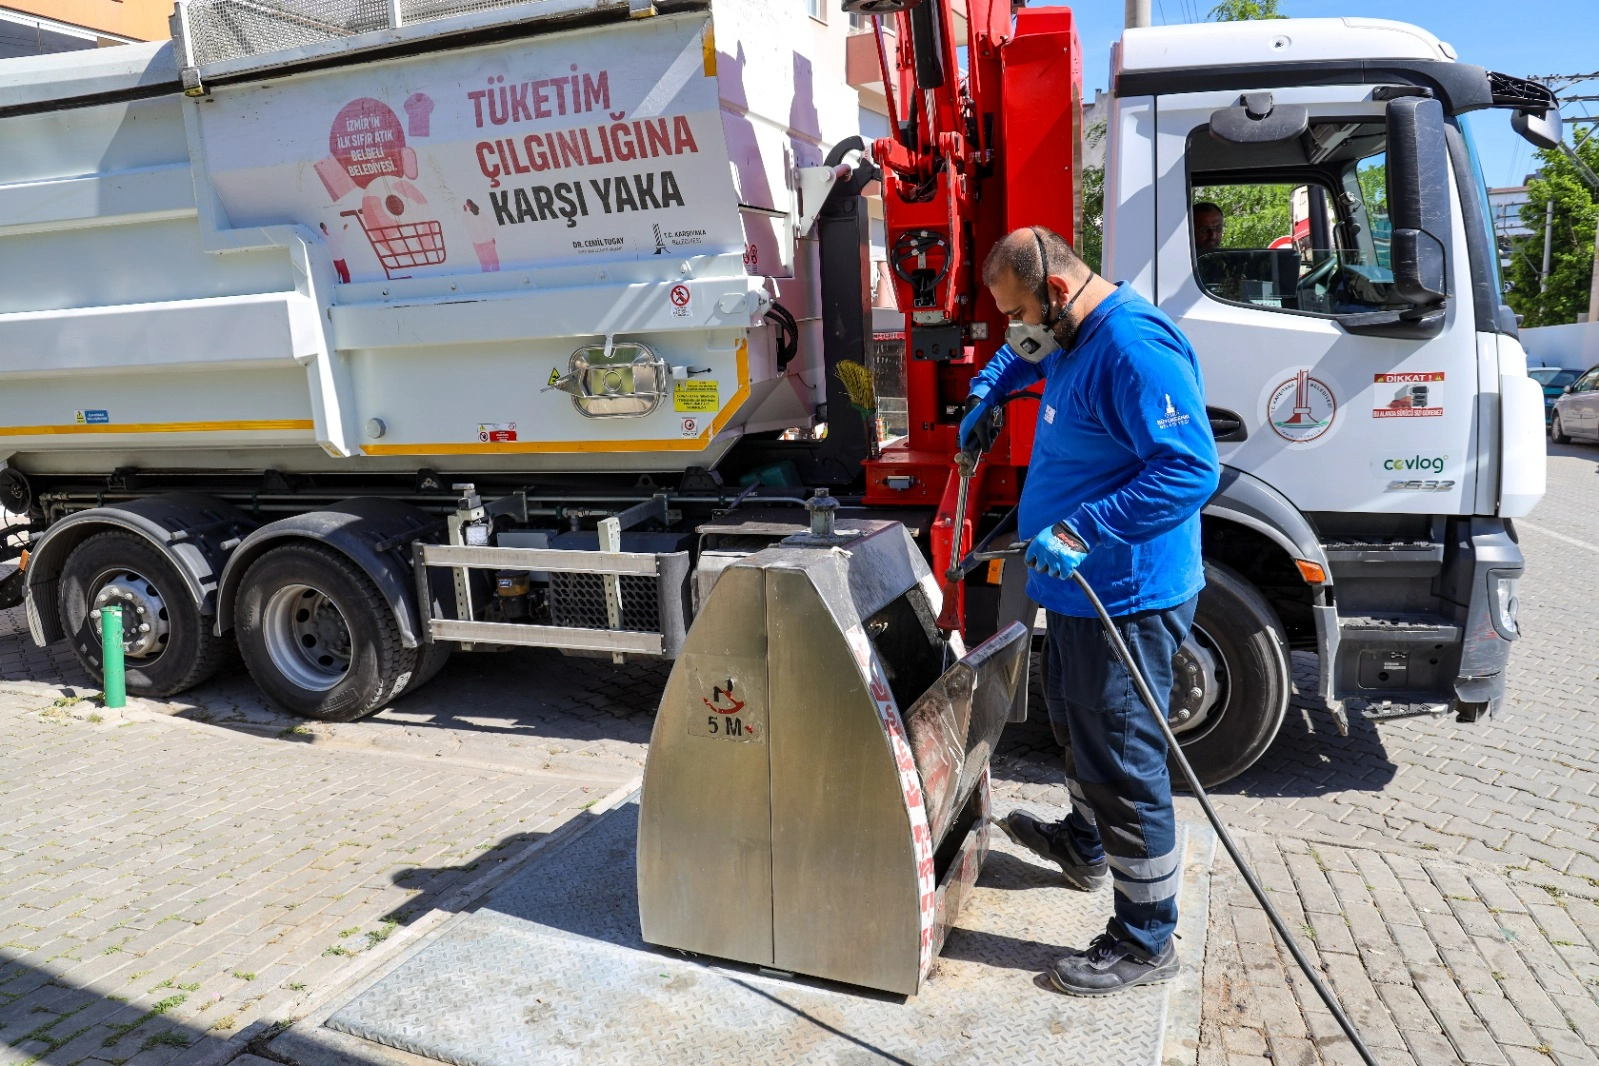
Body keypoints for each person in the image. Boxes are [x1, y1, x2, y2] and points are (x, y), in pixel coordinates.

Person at [961, 226, 1220, 997]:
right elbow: (1022, 354)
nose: (1018, 330)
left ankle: (1145, 938)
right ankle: (1082, 845)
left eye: (1021, 313)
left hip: (1124, 595)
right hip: (1076, 591)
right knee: (1076, 726)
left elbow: (1188, 468)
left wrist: (1083, 527)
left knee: (1122, 757)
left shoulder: (1133, 347)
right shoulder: (1066, 331)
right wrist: (988, 389)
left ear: (1059, 292)